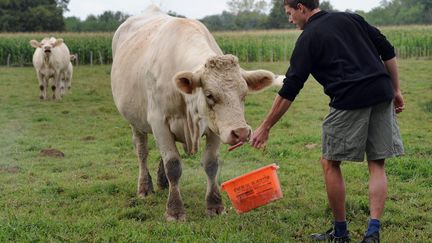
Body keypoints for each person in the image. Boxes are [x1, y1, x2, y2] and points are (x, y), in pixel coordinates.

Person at [250, 0, 405, 242]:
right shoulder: (351, 18)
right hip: (381, 92)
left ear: (302, 8)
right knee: (376, 163)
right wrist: (395, 90)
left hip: (349, 99)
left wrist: (265, 126)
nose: (290, 20)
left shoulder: (308, 37)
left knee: (330, 162)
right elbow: (387, 50)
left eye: (290, 13)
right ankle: (373, 232)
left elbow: (290, 88)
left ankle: (341, 233)